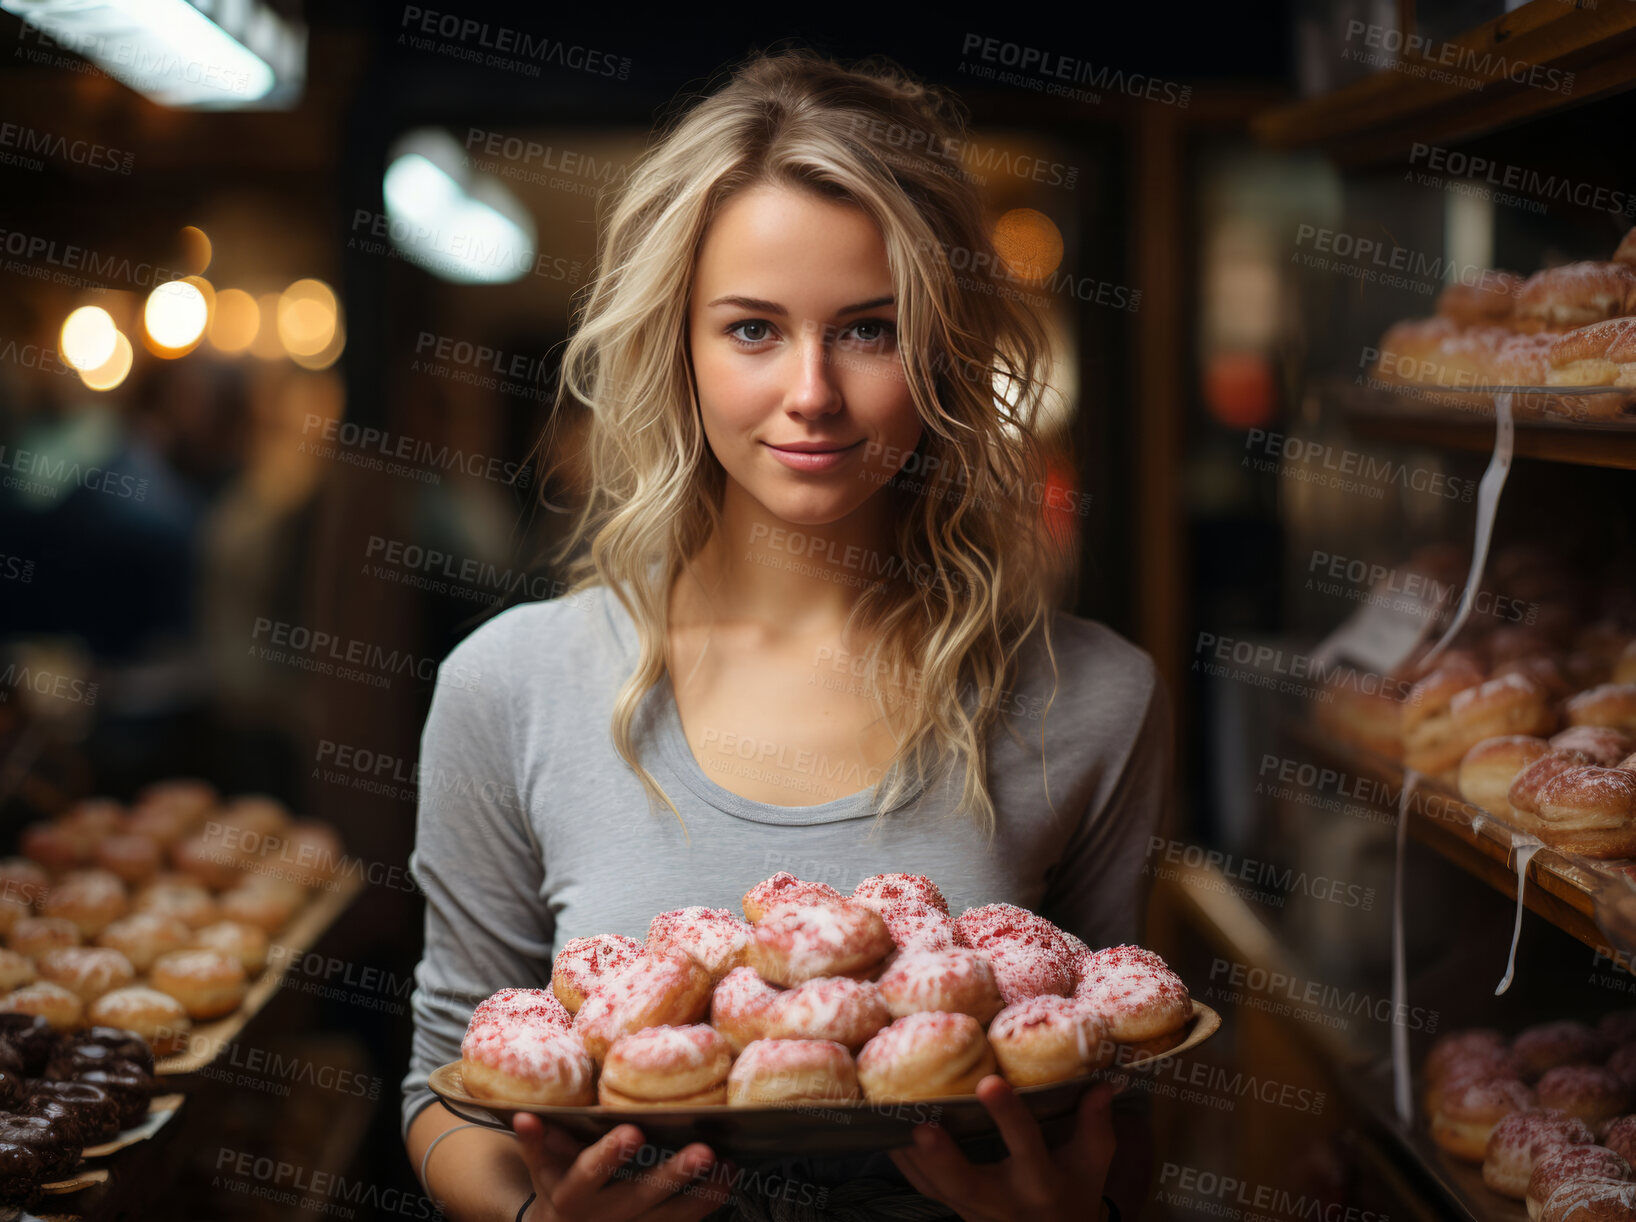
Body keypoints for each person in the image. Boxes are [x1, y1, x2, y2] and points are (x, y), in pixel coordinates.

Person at [401, 45, 1174, 1222]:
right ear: (679, 346)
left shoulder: (1094, 694)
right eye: (752, 330)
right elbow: (444, 1086)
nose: (812, 391)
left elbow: (1116, 1085)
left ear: (944, 350)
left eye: (869, 329)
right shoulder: (510, 685)